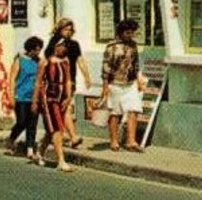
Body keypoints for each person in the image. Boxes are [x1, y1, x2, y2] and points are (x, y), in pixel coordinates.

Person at [42, 18, 91, 148]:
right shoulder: (54, 43)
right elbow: (47, 60)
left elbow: (80, 60)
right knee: (65, 108)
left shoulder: (74, 44)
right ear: (59, 30)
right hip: (55, 83)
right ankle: (72, 136)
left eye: (70, 30)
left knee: (65, 108)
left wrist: (86, 76)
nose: (68, 32)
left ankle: (60, 135)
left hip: (70, 81)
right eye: (65, 29)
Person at [100, 18, 146, 151]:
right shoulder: (112, 46)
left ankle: (131, 141)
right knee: (115, 112)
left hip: (130, 82)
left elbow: (136, 64)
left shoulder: (133, 45)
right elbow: (106, 67)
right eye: (127, 32)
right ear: (121, 32)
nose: (130, 35)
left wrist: (139, 80)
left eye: (132, 32)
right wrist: (105, 87)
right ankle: (114, 141)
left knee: (134, 109)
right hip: (115, 83)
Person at [3, 36, 45, 164]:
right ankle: (11, 139)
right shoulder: (20, 60)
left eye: (39, 50)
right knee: (22, 121)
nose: (37, 53)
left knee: (32, 124)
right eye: (36, 50)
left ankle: (30, 149)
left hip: (33, 97)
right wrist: (10, 96)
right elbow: (12, 78)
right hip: (20, 96)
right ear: (30, 49)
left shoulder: (39, 61)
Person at [36, 37, 75, 172]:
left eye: (65, 46)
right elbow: (38, 82)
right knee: (57, 128)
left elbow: (68, 80)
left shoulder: (66, 61)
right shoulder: (45, 62)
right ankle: (61, 160)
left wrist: (69, 97)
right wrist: (35, 102)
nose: (64, 48)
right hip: (49, 98)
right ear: (55, 46)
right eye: (61, 45)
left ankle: (39, 151)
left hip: (62, 97)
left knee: (52, 129)